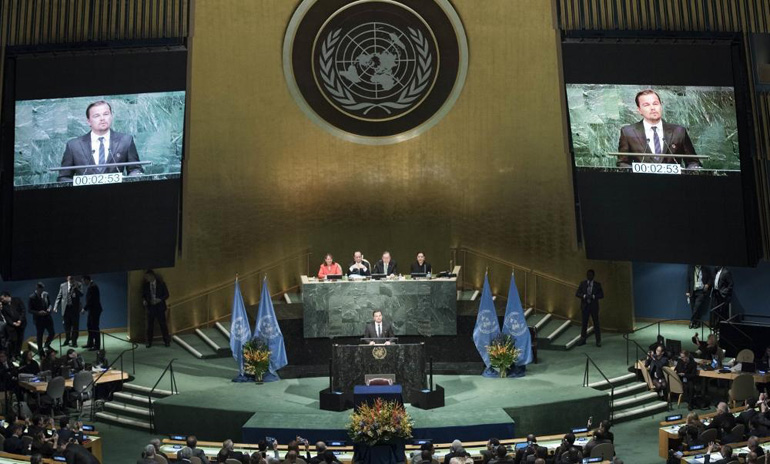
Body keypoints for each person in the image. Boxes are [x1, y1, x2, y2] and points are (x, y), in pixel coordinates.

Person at [57, 100, 143, 182]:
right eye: (96, 116)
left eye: (106, 114)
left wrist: (128, 180)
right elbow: (64, 177)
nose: (102, 118)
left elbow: (136, 169)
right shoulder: (73, 145)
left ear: (111, 116)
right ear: (89, 121)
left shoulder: (125, 141)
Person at [616, 89, 700, 168]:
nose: (652, 108)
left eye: (655, 103)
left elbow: (693, 161)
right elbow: (622, 163)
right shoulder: (628, 132)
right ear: (639, 110)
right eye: (646, 105)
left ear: (661, 106)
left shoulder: (678, 131)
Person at [142, 270, 170, 348]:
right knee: (150, 326)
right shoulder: (146, 285)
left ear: (152, 276)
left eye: (147, 276)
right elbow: (143, 295)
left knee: (163, 325)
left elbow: (167, 295)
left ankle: (167, 341)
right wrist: (144, 300)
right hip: (150, 307)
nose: (146, 278)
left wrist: (160, 299)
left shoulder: (161, 284)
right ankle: (149, 342)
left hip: (160, 307)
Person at [575, 270, 604, 347]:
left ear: (593, 276)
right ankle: (583, 339)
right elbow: (577, 293)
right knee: (584, 323)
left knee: (596, 323)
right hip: (585, 306)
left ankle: (598, 341)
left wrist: (593, 296)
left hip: (594, 306)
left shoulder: (597, 285)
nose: (589, 276)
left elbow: (601, 295)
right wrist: (584, 296)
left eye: (590, 275)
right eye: (587, 275)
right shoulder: (583, 284)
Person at [53, 276, 83, 347]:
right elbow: (59, 296)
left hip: (74, 309)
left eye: (72, 278)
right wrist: (55, 306)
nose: (71, 279)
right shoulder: (62, 285)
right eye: (70, 278)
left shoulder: (78, 284)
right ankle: (67, 340)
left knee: (75, 326)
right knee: (66, 326)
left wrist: (76, 289)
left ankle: (74, 342)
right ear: (67, 278)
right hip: (66, 309)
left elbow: (81, 294)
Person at [29, 283, 55, 354]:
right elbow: (30, 310)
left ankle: (47, 345)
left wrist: (49, 309)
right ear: (37, 288)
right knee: (40, 335)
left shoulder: (46, 294)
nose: (42, 291)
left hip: (47, 317)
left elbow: (50, 304)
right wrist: (38, 312)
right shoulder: (32, 297)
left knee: (52, 333)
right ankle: (41, 351)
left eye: (42, 289)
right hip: (39, 319)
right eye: (40, 289)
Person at [0, 291, 26, 359]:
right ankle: (13, 355)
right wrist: (13, 323)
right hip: (12, 327)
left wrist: (20, 320)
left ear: (7, 296)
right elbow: (6, 317)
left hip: (21, 324)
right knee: (14, 340)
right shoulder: (4, 306)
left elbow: (23, 311)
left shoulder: (17, 300)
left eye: (2, 298)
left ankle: (18, 354)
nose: (2, 301)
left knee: (20, 339)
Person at [687, 265, 713, 329]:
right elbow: (688, 280)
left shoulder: (706, 268)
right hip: (692, 291)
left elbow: (710, 279)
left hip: (701, 292)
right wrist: (687, 291)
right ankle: (697, 323)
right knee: (693, 308)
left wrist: (707, 284)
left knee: (696, 307)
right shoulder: (690, 268)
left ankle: (692, 321)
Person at [82, 276, 103, 351]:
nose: (83, 283)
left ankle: (97, 345)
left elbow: (91, 300)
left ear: (86, 280)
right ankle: (90, 343)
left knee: (94, 327)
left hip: (95, 310)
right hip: (92, 310)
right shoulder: (92, 286)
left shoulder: (93, 286)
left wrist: (84, 308)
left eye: (83, 281)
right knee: (90, 326)